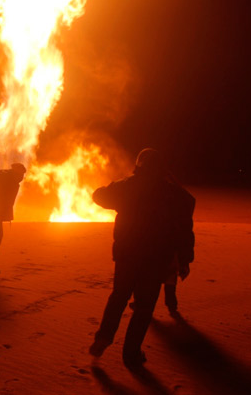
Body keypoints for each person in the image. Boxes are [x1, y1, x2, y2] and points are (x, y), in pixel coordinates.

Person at [88, 148, 195, 368]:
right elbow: (186, 219)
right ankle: (131, 354)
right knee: (145, 307)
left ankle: (103, 337)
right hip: (156, 259)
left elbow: (98, 195)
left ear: (139, 165)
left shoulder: (128, 186)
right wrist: (185, 259)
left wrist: (123, 183)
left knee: (118, 297)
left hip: (127, 255)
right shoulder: (173, 194)